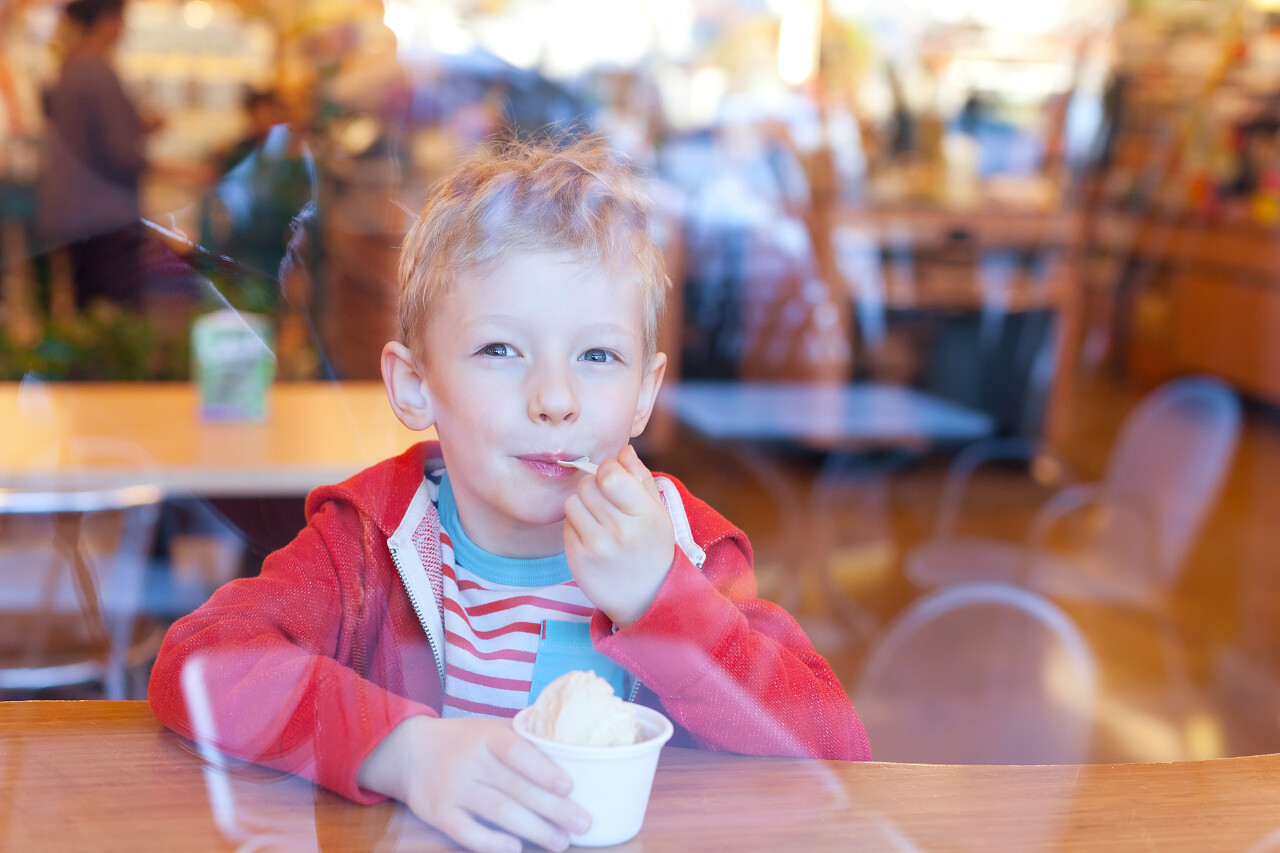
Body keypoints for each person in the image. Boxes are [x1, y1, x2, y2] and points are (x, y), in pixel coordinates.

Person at [148, 137, 870, 853]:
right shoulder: (369, 541)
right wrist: (400, 749)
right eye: (501, 350)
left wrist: (665, 603)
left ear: (644, 395)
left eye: (597, 355)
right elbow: (200, 662)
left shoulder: (685, 550)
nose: (555, 398)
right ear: (414, 385)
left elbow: (836, 749)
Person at [36, 0, 158, 311]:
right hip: (105, 213)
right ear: (108, 20)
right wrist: (181, 170)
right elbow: (119, 153)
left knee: (88, 310)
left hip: (77, 212)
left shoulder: (72, 64)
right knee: (115, 317)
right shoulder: (96, 70)